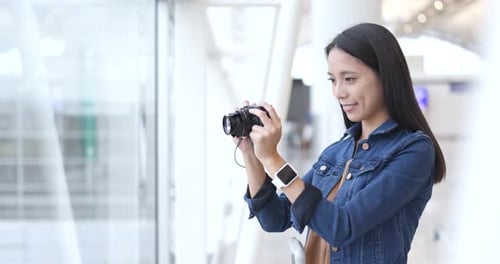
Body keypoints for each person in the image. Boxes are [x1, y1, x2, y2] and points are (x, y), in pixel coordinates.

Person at [232, 22, 446, 263]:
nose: (338, 92)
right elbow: (275, 218)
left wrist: (273, 159)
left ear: (386, 77)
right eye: (333, 80)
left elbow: (342, 227)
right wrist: (252, 156)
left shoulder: (413, 150)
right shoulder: (339, 151)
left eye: (350, 79)